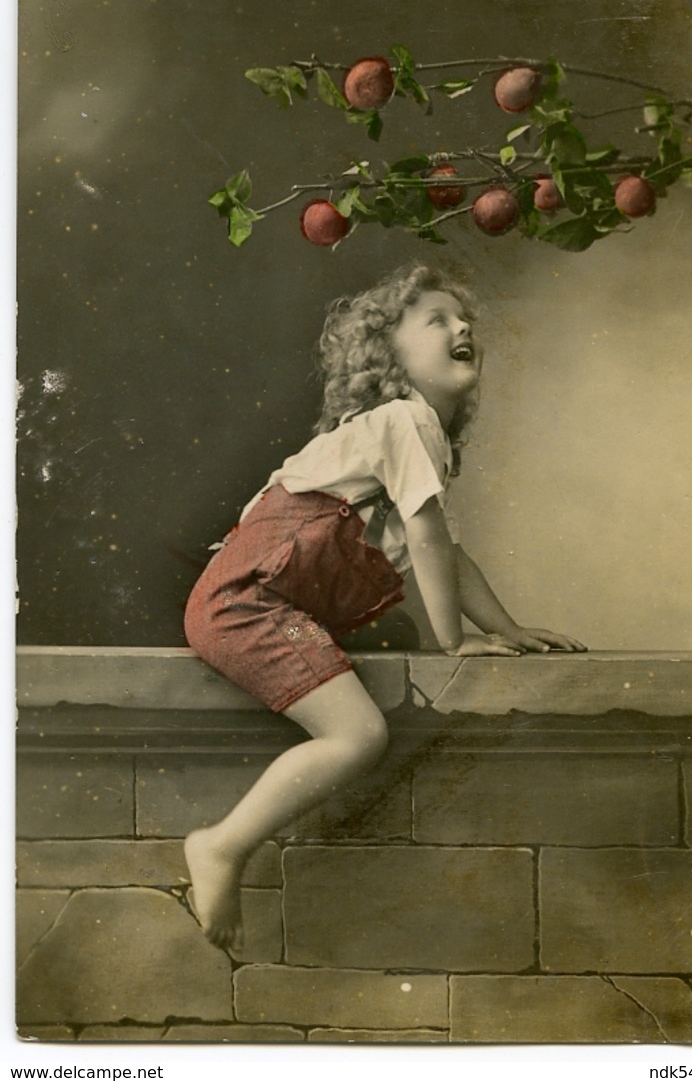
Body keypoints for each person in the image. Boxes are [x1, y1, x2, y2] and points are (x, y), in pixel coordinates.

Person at [183, 261, 586, 951]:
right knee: (358, 736)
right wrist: (454, 642)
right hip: (246, 604)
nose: (462, 327)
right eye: (437, 319)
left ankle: (224, 843)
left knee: (382, 650)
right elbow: (427, 537)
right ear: (388, 358)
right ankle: (222, 843)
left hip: (254, 600)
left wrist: (506, 627)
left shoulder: (399, 434)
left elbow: (447, 555)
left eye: (466, 321)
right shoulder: (402, 419)